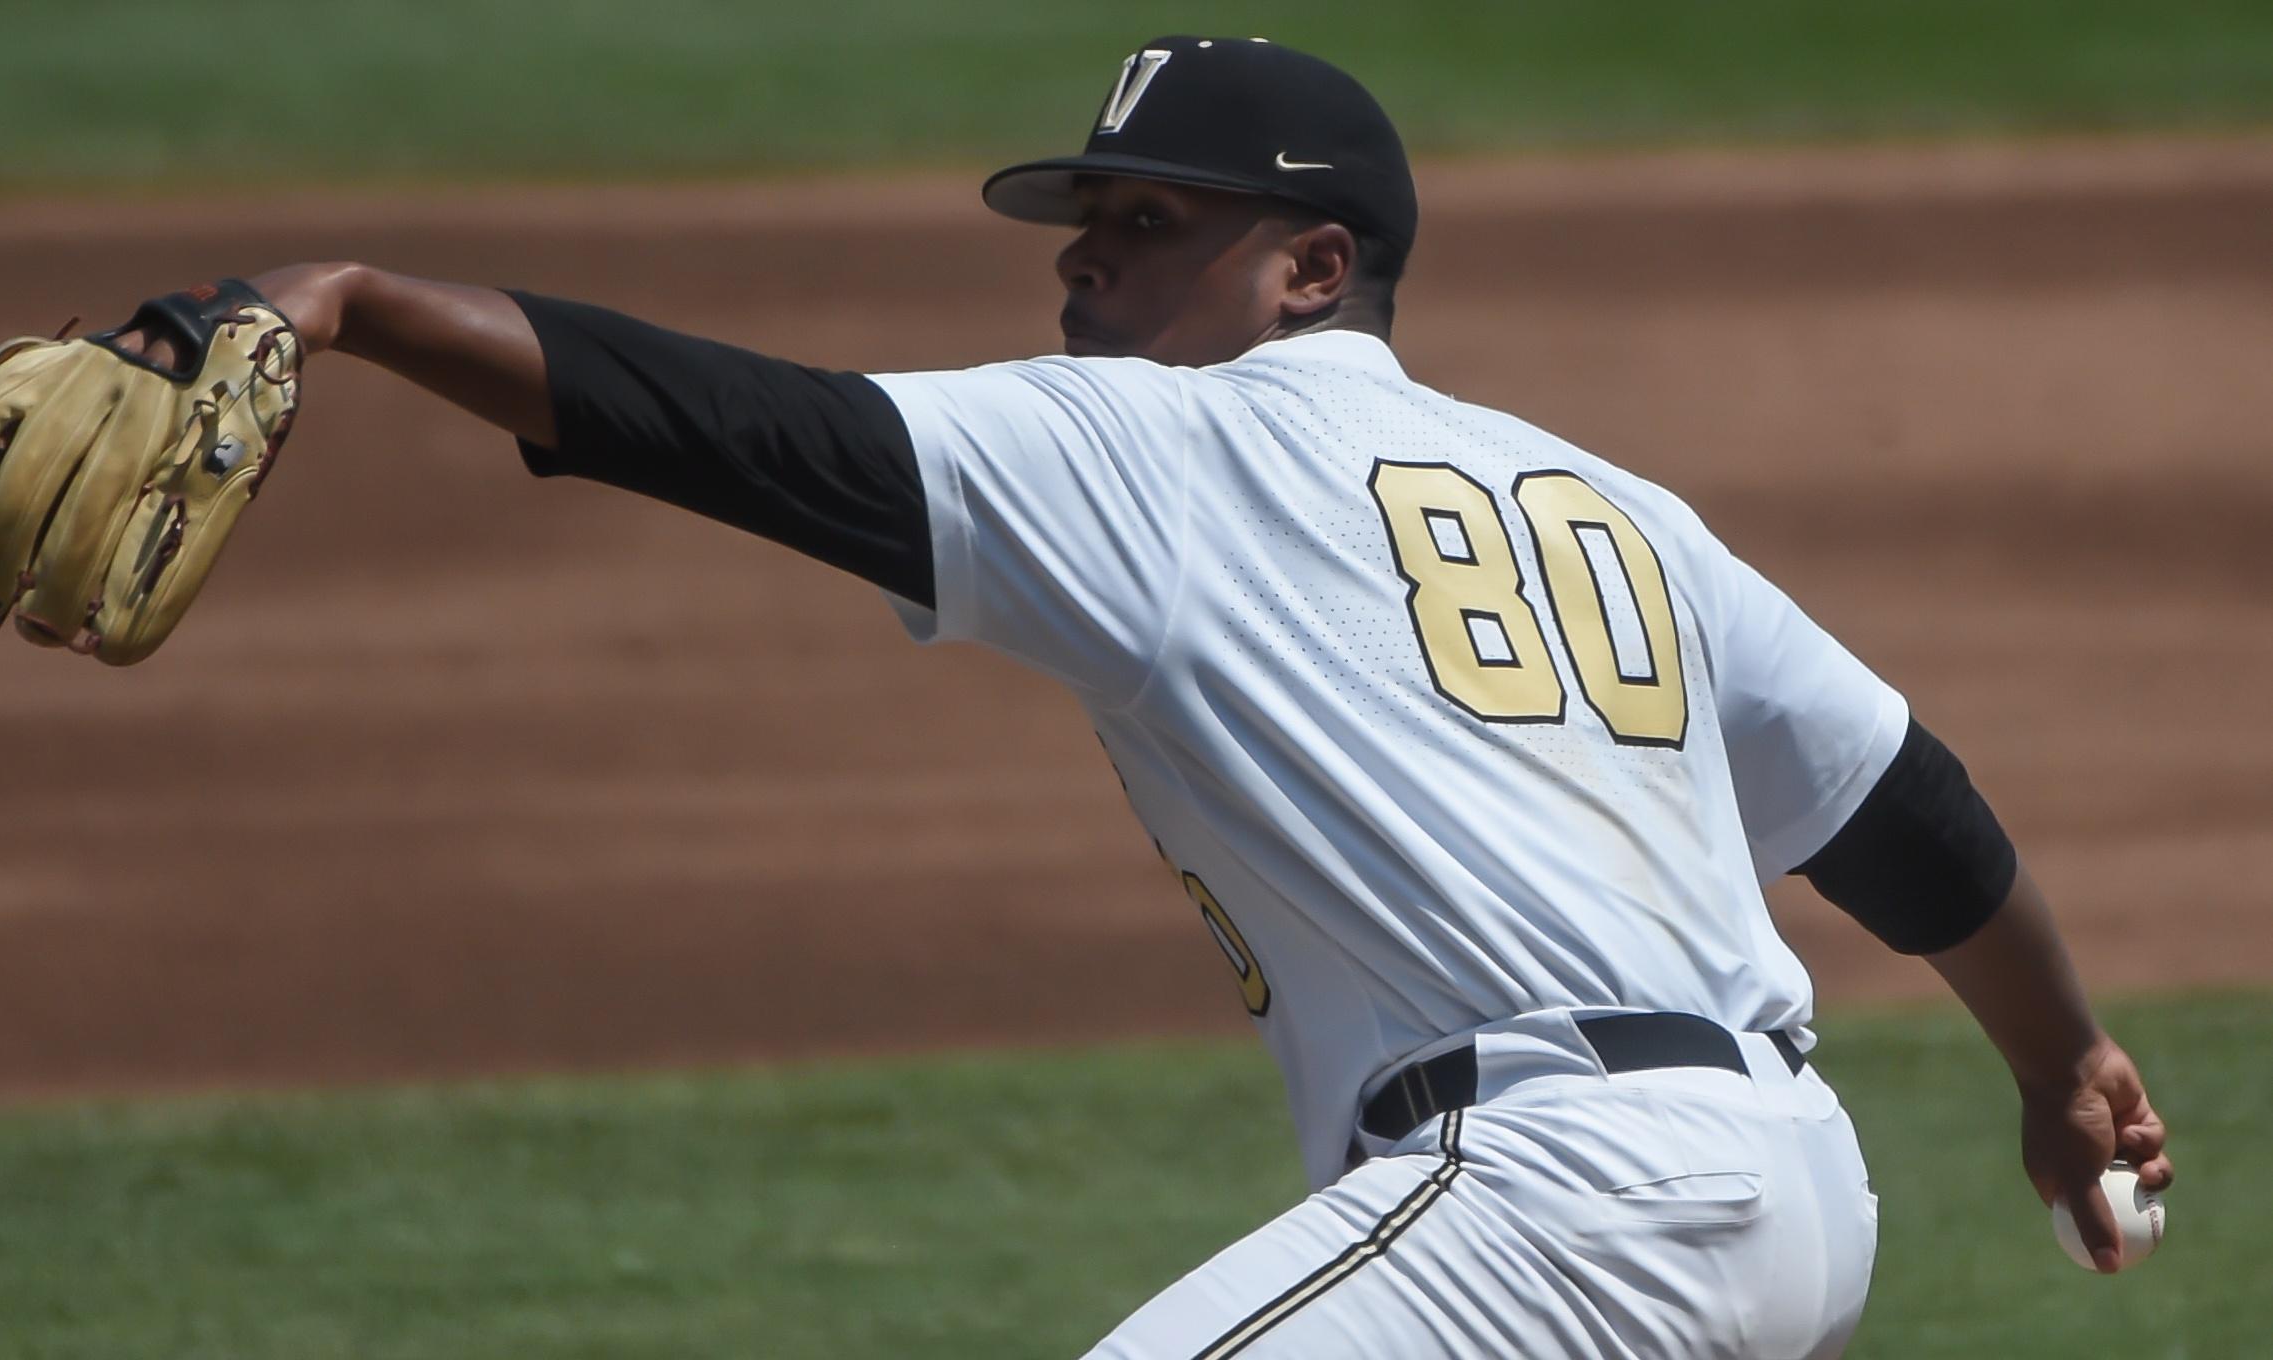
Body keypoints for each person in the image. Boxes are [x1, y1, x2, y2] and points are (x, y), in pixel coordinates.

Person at [112, 35, 2170, 1359]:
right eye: (1083, 230)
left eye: (1147, 226)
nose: (1082, 274)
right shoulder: (1609, 501)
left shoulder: (1157, 448)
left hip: (1569, 1205)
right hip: (1796, 1191)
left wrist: (355, 303)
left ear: (1312, 263)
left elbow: (747, 431)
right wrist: (2059, 1056)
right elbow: (1911, 817)